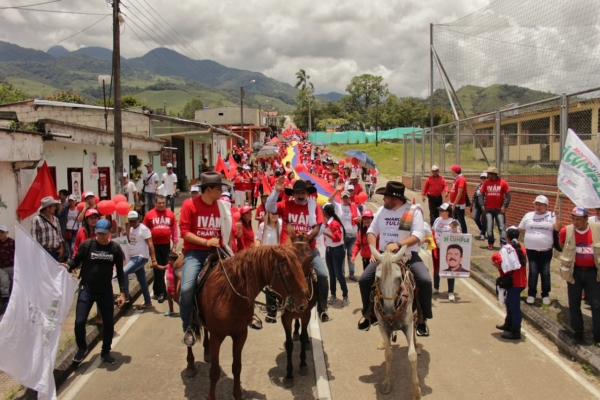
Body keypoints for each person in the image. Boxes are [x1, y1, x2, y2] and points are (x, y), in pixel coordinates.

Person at [358, 181, 432, 336]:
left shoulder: (412, 211)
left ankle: (422, 318)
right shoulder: (382, 211)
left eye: (386, 197)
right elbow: (371, 231)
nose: (383, 200)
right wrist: (373, 250)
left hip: (407, 256)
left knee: (425, 281)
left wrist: (398, 244)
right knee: (364, 280)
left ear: (395, 199)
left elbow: (418, 235)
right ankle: (368, 314)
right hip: (384, 257)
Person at [179, 172, 233, 345]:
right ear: (208, 189)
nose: (221, 192)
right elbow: (184, 233)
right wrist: (205, 240)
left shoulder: (223, 206)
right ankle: (188, 326)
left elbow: (225, 230)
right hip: (195, 252)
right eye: (219, 188)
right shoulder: (189, 205)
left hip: (217, 250)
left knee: (239, 277)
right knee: (187, 288)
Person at [61, 219, 126, 365]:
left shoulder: (115, 248)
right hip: (87, 290)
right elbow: (75, 261)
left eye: (104, 233)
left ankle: (105, 352)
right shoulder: (87, 245)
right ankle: (82, 347)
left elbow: (121, 273)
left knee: (108, 323)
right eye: (98, 233)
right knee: (79, 322)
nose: (101, 236)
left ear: (110, 232)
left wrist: (122, 293)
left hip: (105, 292)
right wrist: (67, 265)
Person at [266, 178, 331, 322]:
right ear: (293, 194)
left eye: (303, 192)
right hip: (287, 250)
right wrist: (276, 191)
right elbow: (270, 208)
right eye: (297, 193)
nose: (300, 195)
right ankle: (271, 309)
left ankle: (323, 308)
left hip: (309, 250)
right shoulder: (286, 204)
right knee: (269, 272)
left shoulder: (314, 207)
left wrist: (308, 236)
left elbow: (319, 227)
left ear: (307, 193)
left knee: (322, 275)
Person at [558, 207, 600, 345]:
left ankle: (597, 334)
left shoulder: (597, 229)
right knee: (574, 303)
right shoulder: (566, 231)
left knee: (596, 304)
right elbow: (562, 245)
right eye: (573, 219)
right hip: (574, 272)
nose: (575, 222)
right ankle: (578, 332)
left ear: (586, 219)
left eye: (579, 220)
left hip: (592, 272)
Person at [518, 195, 561, 306]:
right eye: (536, 204)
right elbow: (521, 228)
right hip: (531, 250)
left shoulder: (551, 215)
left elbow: (557, 228)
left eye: (541, 204)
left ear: (546, 206)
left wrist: (557, 215)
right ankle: (531, 294)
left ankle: (545, 294)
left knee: (545, 273)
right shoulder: (528, 215)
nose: (538, 206)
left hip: (546, 250)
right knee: (533, 272)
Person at [493, 226, 527, 340]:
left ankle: (515, 330)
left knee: (514, 307)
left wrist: (497, 265)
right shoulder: (521, 248)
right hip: (519, 281)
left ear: (506, 236)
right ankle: (508, 324)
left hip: (514, 282)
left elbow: (505, 266)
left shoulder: (508, 249)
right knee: (509, 303)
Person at [144, 195, 178, 304]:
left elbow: (174, 230)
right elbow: (145, 230)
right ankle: (162, 292)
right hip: (154, 246)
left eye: (163, 203)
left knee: (166, 267)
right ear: (155, 203)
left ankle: (159, 289)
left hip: (166, 245)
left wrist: (174, 245)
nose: (162, 205)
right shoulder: (149, 215)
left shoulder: (171, 214)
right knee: (157, 267)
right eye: (159, 203)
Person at [122, 211, 156, 310]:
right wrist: (125, 234)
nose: (132, 223)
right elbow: (132, 241)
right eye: (130, 221)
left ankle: (126, 296)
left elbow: (150, 244)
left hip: (141, 257)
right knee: (142, 280)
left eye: (134, 221)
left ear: (139, 219)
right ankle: (148, 301)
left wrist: (153, 259)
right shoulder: (132, 228)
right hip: (133, 257)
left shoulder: (144, 229)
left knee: (124, 272)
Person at [328, 183, 362, 281]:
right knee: (342, 255)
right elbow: (330, 200)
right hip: (342, 235)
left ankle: (352, 274)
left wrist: (359, 219)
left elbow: (360, 217)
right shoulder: (338, 206)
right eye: (344, 197)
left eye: (347, 197)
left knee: (351, 255)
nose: (345, 199)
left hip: (353, 235)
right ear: (341, 198)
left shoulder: (354, 207)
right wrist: (336, 190)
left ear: (349, 198)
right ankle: (341, 274)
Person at [255, 211, 282, 323]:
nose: (275, 215)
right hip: (266, 258)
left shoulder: (281, 224)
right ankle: (271, 312)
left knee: (279, 284)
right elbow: (258, 239)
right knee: (269, 285)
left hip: (279, 257)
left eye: (276, 213)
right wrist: (258, 252)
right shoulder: (263, 225)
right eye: (272, 213)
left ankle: (281, 305)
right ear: (268, 214)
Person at [432, 203, 461, 301]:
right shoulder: (437, 220)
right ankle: (436, 287)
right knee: (436, 268)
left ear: (447, 212)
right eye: (439, 210)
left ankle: (450, 291)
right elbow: (433, 231)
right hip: (437, 248)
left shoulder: (454, 221)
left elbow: (460, 236)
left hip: (449, 250)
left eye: (442, 210)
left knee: (450, 269)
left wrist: (454, 229)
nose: (439, 212)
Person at [322, 203, 349, 307]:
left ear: (325, 212)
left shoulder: (334, 223)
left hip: (337, 250)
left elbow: (337, 238)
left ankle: (345, 296)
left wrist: (324, 232)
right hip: (329, 250)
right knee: (332, 275)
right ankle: (333, 294)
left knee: (338, 275)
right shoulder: (329, 222)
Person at [480, 166, 511, 249]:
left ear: (493, 174)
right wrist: (482, 205)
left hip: (499, 209)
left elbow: (508, 195)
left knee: (501, 227)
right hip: (488, 209)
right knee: (489, 227)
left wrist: (504, 206)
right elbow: (481, 194)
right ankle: (490, 242)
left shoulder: (503, 183)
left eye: (488, 174)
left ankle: (503, 243)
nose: (487, 175)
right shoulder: (486, 183)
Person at [32, 196, 64, 261]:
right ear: (47, 208)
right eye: (53, 206)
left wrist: (61, 248)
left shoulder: (56, 219)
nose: (55, 208)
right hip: (43, 252)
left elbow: (59, 235)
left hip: (55, 252)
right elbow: (34, 238)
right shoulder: (36, 220)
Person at [153, 252, 180, 317]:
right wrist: (156, 266)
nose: (169, 262)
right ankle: (171, 310)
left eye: (171, 260)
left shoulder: (176, 268)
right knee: (169, 299)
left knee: (177, 300)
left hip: (174, 288)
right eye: (168, 260)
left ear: (175, 261)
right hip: (168, 287)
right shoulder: (168, 266)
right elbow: (163, 267)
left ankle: (182, 311)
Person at [449, 165, 468, 234]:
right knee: (454, 219)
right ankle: (455, 232)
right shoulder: (456, 179)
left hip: (458, 205)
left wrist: (454, 204)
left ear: (454, 171)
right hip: (454, 204)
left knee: (461, 220)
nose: (451, 172)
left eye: (452, 171)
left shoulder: (461, 179)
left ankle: (465, 234)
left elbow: (460, 193)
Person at [0, 225, 15, 304]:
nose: (1, 234)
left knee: (13, 279)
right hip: (2, 266)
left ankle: (14, 294)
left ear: (7, 232)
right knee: (4, 281)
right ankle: (5, 296)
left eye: (2, 232)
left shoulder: (12, 242)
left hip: (12, 265)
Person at [471, 172, 487, 240]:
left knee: (484, 220)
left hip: (485, 205)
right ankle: (481, 229)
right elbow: (474, 196)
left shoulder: (488, 187)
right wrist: (471, 204)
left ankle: (483, 233)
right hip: (478, 205)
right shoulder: (478, 186)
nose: (483, 179)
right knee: (475, 218)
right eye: (482, 178)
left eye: (484, 178)